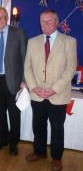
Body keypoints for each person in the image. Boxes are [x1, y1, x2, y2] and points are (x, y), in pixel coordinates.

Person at [24, 9, 77, 171]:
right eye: (42, 21)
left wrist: (54, 89)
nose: (45, 24)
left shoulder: (69, 41)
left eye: (49, 21)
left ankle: (56, 157)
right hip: (37, 94)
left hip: (58, 95)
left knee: (56, 127)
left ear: (57, 22)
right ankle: (39, 152)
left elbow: (70, 69)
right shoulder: (32, 42)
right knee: (38, 125)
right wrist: (34, 87)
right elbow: (27, 68)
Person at [0, 7, 27, 155]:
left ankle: (13, 143)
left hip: (14, 82)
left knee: (14, 115)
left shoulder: (19, 33)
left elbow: (25, 59)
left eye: (1, 17)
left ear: (7, 18)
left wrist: (24, 81)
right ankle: (2, 139)